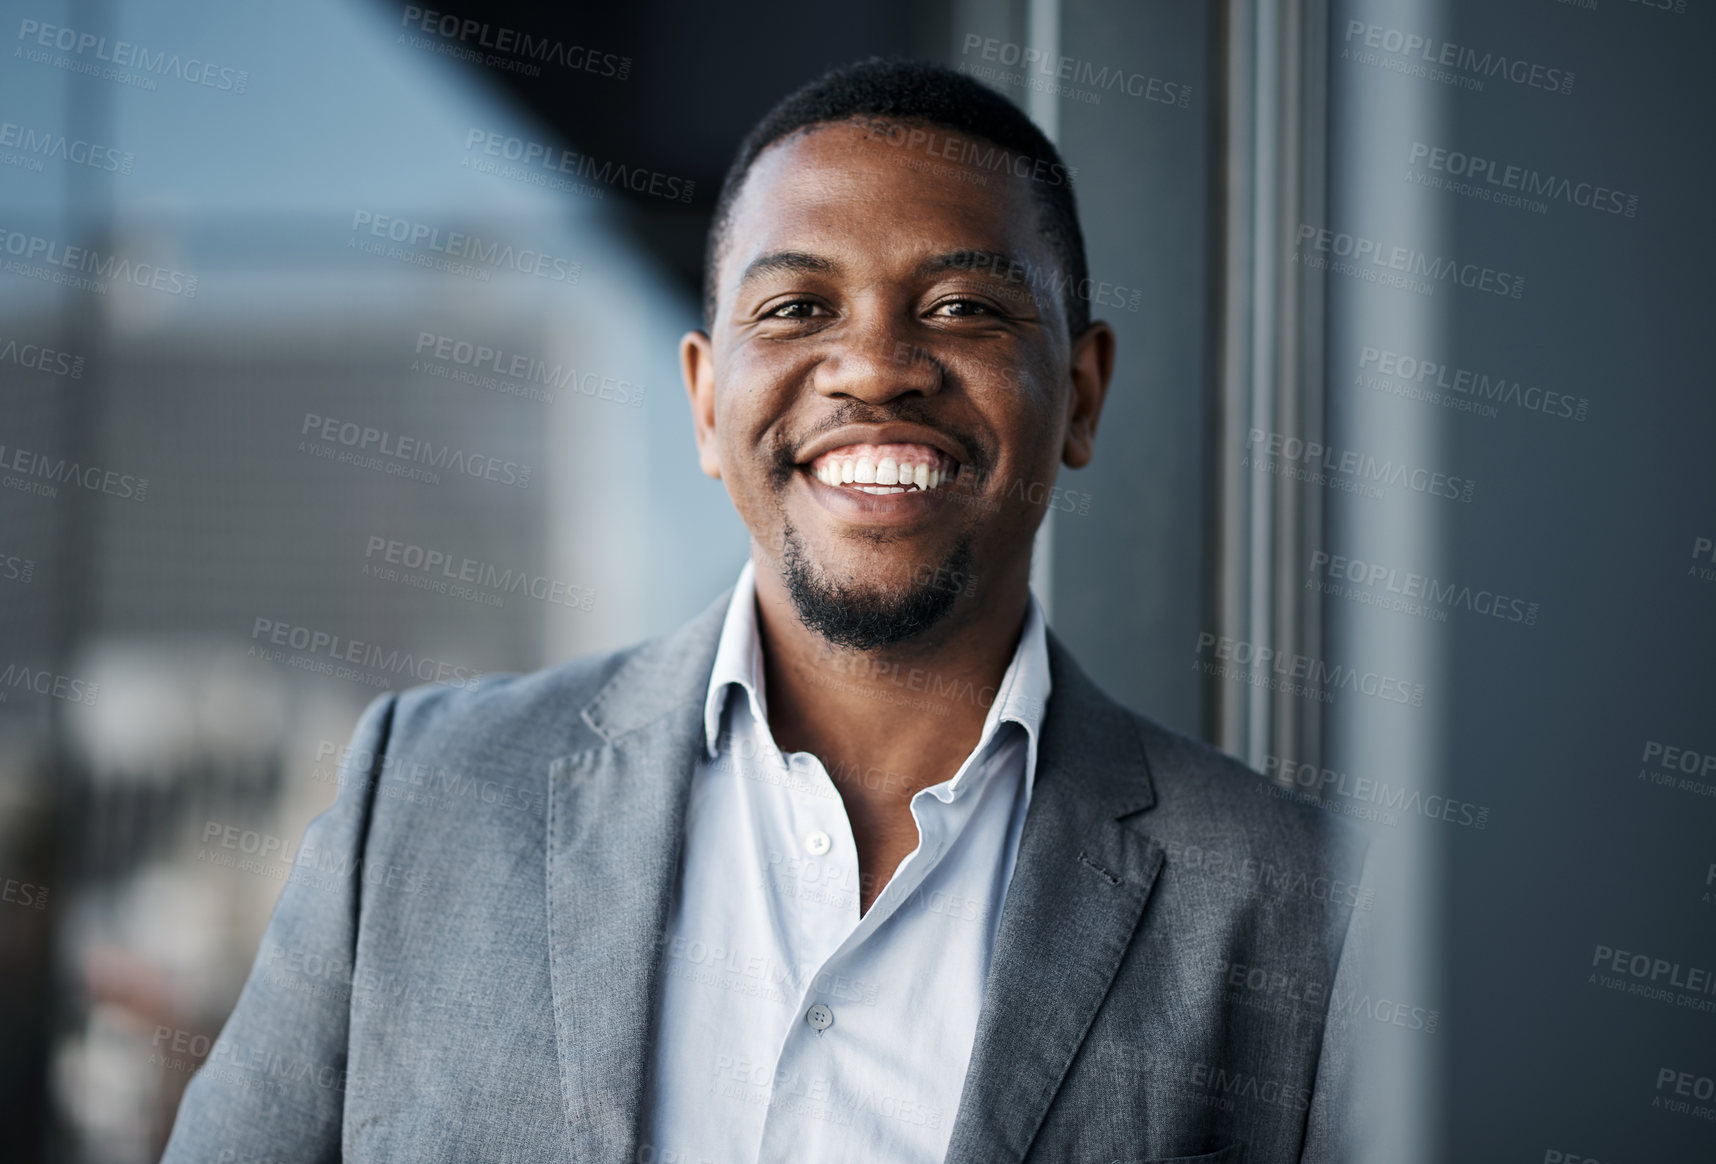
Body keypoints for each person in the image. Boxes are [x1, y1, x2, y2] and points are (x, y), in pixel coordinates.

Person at [163, 58, 1368, 1163]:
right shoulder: (420, 796)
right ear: (702, 400)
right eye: (796, 309)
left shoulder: (1291, 901)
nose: (875, 365)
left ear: (1083, 395)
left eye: (963, 308)